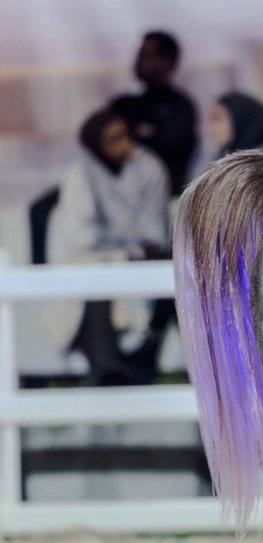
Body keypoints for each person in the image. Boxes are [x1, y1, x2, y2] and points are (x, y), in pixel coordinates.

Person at [47, 108, 171, 385]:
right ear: (96, 146)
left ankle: (124, 367)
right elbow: (80, 236)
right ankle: (103, 366)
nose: (124, 144)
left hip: (141, 260)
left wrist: (128, 252)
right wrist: (117, 252)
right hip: (89, 260)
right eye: (113, 140)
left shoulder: (150, 168)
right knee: (94, 278)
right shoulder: (80, 175)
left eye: (125, 135)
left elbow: (154, 236)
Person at [110, 31, 198, 196]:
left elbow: (170, 150)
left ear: (169, 62)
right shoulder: (124, 105)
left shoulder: (181, 108)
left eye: (146, 55)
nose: (138, 62)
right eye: (139, 55)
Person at [208, 91, 263, 159]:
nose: (212, 127)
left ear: (239, 118)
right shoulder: (227, 155)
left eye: (217, 118)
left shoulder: (260, 162)